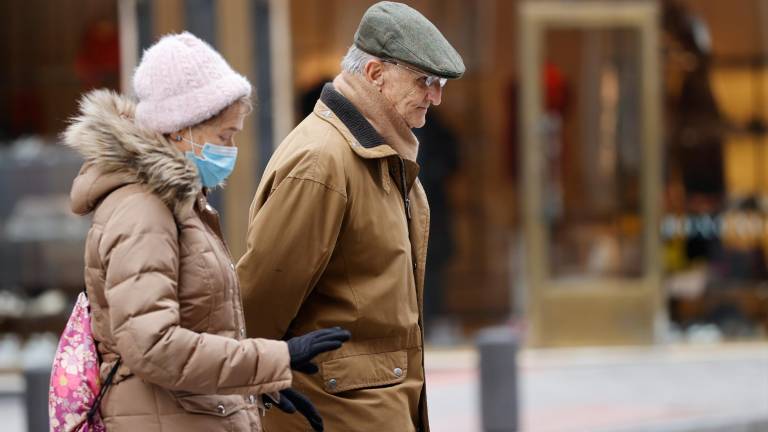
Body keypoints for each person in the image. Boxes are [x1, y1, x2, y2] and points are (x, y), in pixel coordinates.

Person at [62, 32, 349, 432]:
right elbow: (153, 345)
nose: (230, 149)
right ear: (182, 129)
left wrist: (256, 383)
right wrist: (275, 358)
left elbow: (199, 328)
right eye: (224, 136)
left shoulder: (177, 205)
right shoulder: (143, 210)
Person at [236, 2, 465, 431]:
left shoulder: (380, 154)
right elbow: (259, 304)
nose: (436, 97)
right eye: (425, 81)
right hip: (336, 416)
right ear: (376, 75)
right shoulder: (322, 162)